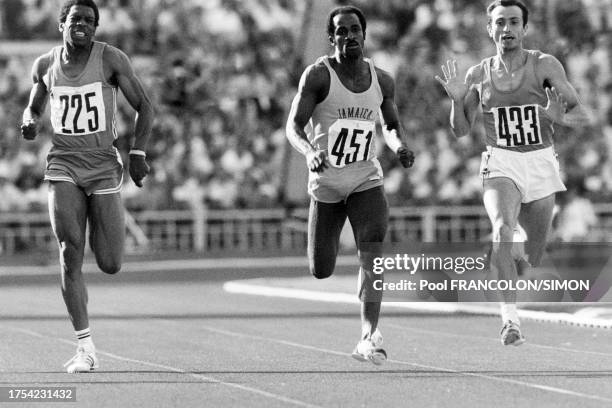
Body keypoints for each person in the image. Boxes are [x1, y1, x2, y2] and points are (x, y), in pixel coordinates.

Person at [436, 0, 591, 345]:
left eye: (513, 22)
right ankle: (510, 321)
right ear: (489, 29)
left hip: (540, 163)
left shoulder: (545, 65)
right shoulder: (478, 74)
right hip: (501, 161)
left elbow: (584, 114)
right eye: (500, 23)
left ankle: (509, 248)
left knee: (531, 259)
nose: (507, 29)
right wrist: (456, 101)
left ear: (524, 28)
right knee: (502, 228)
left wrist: (557, 117)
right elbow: (461, 131)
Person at [20, 0, 154, 372]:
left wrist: (138, 152)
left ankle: (98, 223)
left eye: (90, 21)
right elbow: (33, 104)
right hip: (63, 162)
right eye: (76, 19)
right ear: (61, 23)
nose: (83, 25)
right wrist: (29, 121)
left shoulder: (111, 60)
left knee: (110, 263)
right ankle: (85, 347)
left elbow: (146, 106)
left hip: (103, 165)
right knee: (69, 250)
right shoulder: (45, 65)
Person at [286, 5, 414, 365]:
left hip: (365, 180)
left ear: (364, 34)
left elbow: (390, 125)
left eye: (354, 29)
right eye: (341, 31)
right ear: (332, 38)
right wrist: (310, 151)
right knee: (321, 268)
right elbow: (292, 126)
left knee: (372, 254)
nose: (349, 36)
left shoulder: (382, 80)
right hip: (326, 185)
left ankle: (369, 334)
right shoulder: (318, 76)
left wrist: (399, 146)